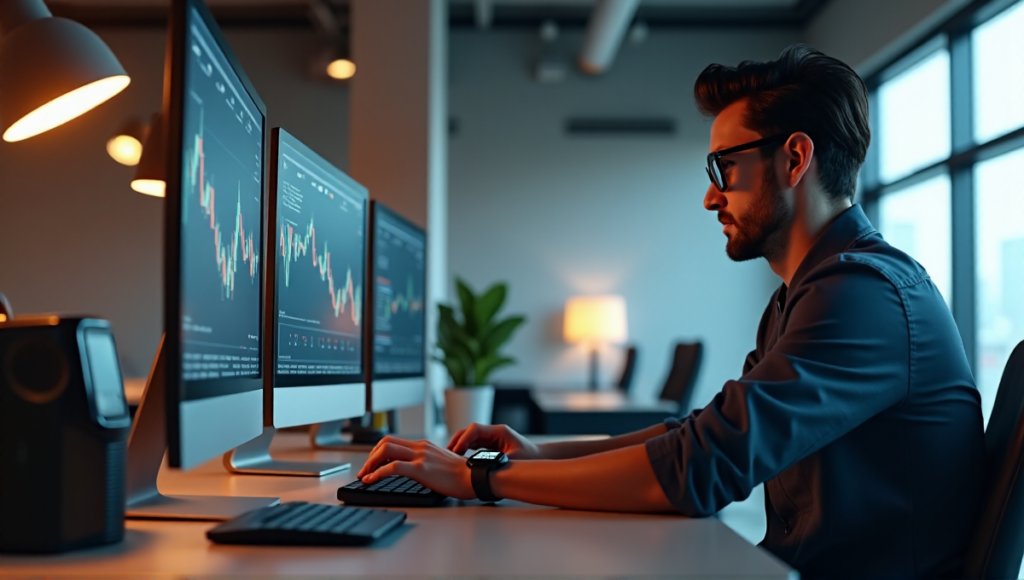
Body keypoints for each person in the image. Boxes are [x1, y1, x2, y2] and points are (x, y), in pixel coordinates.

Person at [357, 44, 986, 579]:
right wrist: (537, 456)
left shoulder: (864, 296)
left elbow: (699, 471)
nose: (711, 195)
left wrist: (482, 481)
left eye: (725, 167)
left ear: (794, 159)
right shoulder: (811, 291)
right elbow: (703, 432)